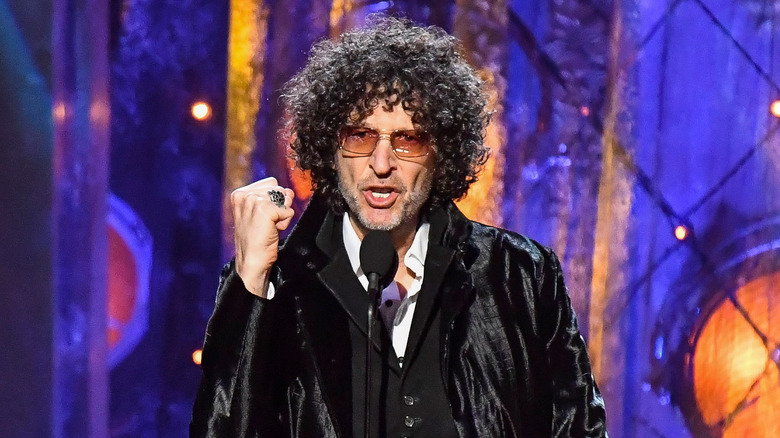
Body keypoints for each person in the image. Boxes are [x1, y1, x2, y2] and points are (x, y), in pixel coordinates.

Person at [191, 15, 607, 438]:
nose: (382, 164)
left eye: (408, 140)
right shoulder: (278, 288)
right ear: (329, 146)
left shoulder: (521, 276)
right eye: (360, 136)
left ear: (440, 150)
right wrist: (250, 286)